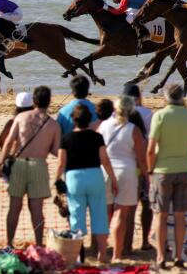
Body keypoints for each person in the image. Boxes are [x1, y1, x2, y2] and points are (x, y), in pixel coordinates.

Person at [55, 104, 118, 263]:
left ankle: (79, 256)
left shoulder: (66, 138)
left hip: (74, 178)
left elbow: (61, 163)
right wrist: (114, 179)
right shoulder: (96, 137)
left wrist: (56, 180)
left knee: (77, 217)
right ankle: (102, 254)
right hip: (94, 175)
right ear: (89, 119)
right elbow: (105, 160)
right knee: (99, 216)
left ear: (73, 120)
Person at [0, 85, 61, 247]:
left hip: (18, 164)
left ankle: (9, 244)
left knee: (14, 207)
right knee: (37, 210)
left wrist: (1, 163)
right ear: (49, 101)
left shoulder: (21, 118)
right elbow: (56, 151)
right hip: (39, 165)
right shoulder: (53, 124)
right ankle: (39, 244)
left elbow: (8, 142)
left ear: (34, 101)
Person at [146, 84, 187, 270]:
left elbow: (151, 149)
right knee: (180, 215)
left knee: (161, 215)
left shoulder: (160, 115)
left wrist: (150, 171)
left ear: (166, 97)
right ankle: (178, 256)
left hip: (163, 170)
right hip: (184, 169)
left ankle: (160, 256)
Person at [97, 96, 148, 261]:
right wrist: (147, 177)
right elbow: (141, 158)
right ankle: (117, 255)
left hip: (105, 171)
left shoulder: (103, 125)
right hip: (126, 171)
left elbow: (98, 150)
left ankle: (102, 252)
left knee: (105, 215)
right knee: (121, 215)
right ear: (131, 110)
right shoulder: (133, 129)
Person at [122, 83, 153, 251]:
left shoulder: (117, 115)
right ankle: (145, 241)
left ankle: (125, 244)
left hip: (125, 165)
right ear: (139, 97)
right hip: (144, 165)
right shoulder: (148, 113)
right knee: (146, 204)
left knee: (126, 208)